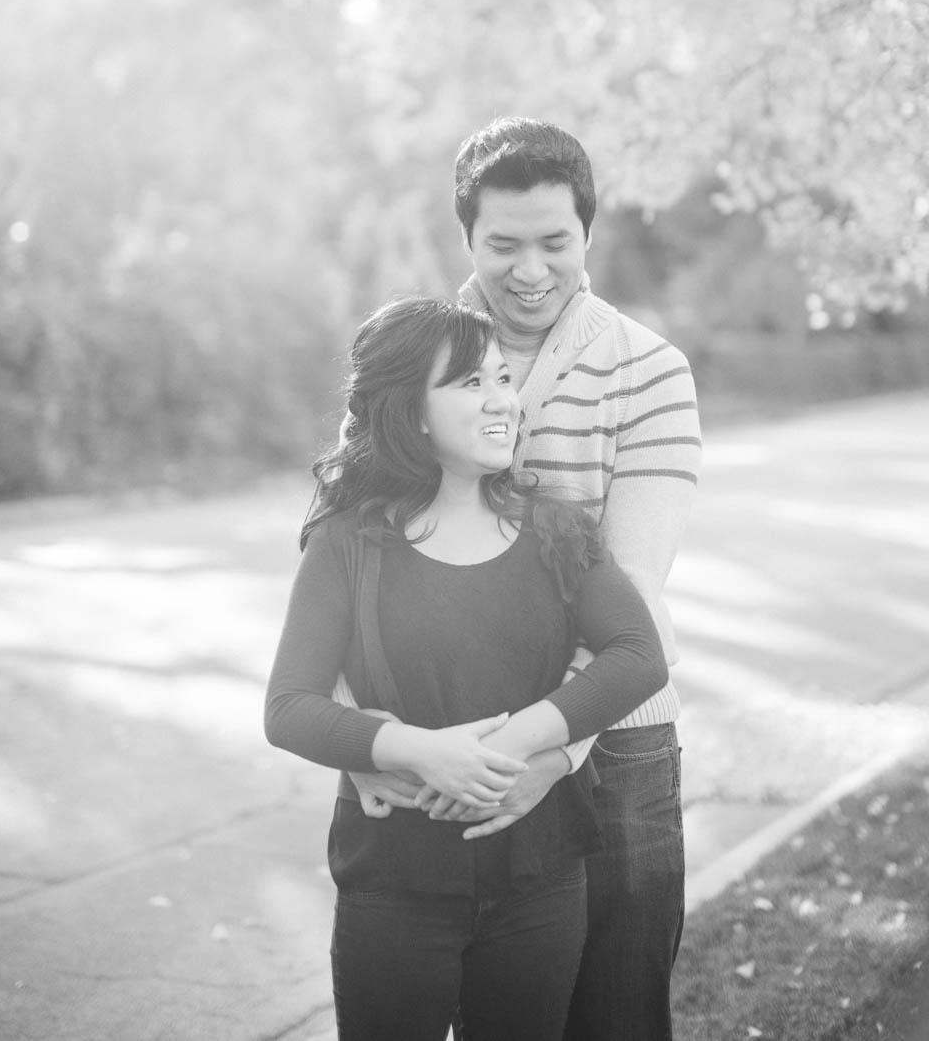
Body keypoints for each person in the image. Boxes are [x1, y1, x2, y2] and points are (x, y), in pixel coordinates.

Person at [346, 119, 701, 1041]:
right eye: (504, 244)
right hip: (448, 743)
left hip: (613, 747)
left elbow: (631, 587)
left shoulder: (651, 371)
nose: (531, 270)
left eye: (555, 241)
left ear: (589, 233)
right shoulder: (411, 358)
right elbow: (351, 547)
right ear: (467, 235)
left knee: (616, 1016)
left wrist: (549, 754)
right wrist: (362, 736)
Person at [264, 295, 669, 1041]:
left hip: (541, 880)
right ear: (412, 412)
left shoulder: (556, 530)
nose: (502, 401)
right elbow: (288, 706)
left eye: (503, 379)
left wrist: (511, 746)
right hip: (393, 886)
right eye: (472, 383)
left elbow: (639, 656)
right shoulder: (347, 544)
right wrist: (420, 752)